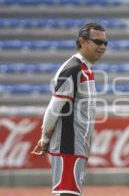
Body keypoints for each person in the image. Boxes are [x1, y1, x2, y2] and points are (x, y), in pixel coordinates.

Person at [31, 22, 107, 196]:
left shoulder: (85, 69)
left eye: (105, 43)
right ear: (83, 42)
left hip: (77, 147)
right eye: (98, 42)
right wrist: (44, 139)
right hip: (68, 146)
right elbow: (54, 108)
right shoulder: (73, 69)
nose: (103, 47)